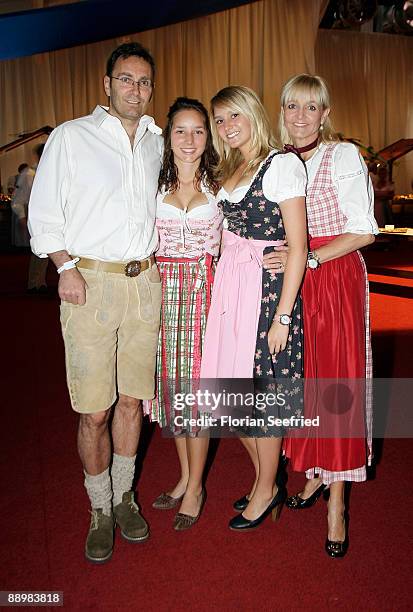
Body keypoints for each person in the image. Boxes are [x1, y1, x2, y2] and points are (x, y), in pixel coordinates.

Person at [28, 42, 163, 563]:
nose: (135, 89)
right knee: (94, 409)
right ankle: (99, 506)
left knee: (133, 401)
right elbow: (43, 214)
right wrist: (65, 268)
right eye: (126, 79)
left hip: (144, 283)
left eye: (144, 81)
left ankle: (126, 495)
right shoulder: (71, 137)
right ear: (106, 84)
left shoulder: (157, 142)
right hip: (90, 282)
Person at [277, 74, 378, 557]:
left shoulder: (343, 157)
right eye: (292, 106)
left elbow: (363, 231)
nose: (300, 117)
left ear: (325, 113)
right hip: (297, 278)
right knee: (306, 381)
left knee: (337, 386)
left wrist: (311, 258)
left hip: (334, 277)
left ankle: (338, 502)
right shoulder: (277, 160)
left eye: (310, 107)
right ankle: (318, 473)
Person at [201, 86, 308, 531]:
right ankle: (270, 480)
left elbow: (298, 247)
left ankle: (266, 489)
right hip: (232, 287)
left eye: (233, 116)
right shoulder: (229, 166)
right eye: (220, 120)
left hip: (267, 292)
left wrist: (284, 315)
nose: (227, 127)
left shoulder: (280, 164)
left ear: (252, 114)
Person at [145, 97, 222, 530]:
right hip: (162, 293)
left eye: (198, 131)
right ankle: (186, 476)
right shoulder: (152, 185)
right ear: (168, 135)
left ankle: (195, 488)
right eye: (180, 130)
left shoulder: (221, 184)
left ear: (207, 137)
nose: (189, 140)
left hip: (205, 291)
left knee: (198, 393)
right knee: (174, 391)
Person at [12, 146, 50, 293]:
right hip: (34, 212)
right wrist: (22, 216)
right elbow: (18, 199)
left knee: (46, 249)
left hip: (47, 212)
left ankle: (40, 282)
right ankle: (35, 284)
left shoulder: (49, 171)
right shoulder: (29, 174)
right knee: (40, 248)